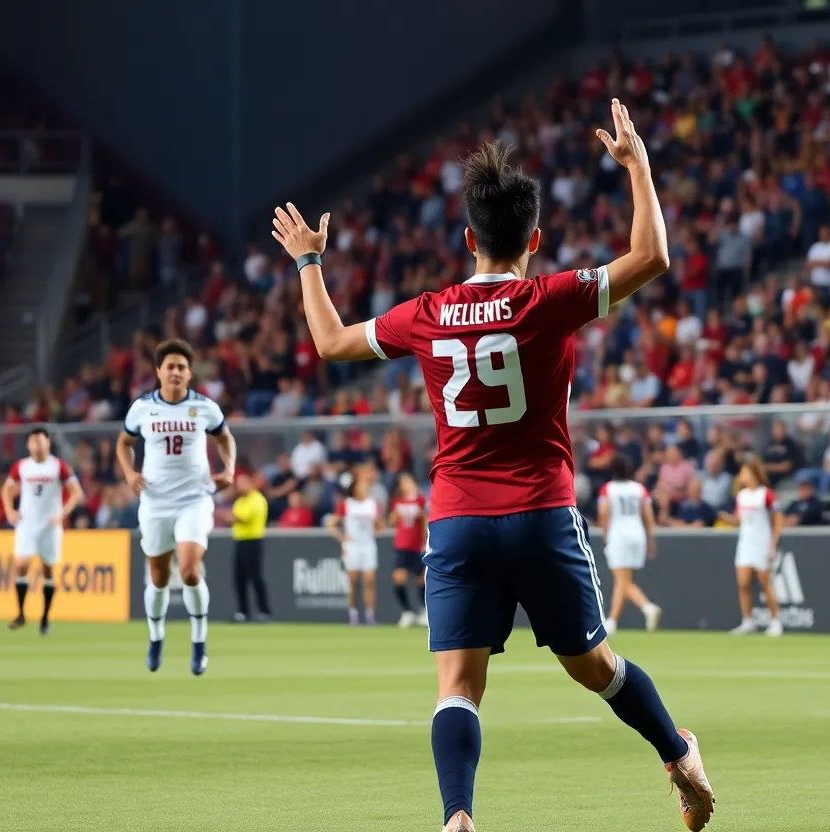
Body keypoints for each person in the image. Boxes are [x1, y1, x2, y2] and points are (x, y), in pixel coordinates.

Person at [272, 101, 714, 832]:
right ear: (534, 240)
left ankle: (458, 817)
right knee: (595, 668)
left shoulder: (428, 312)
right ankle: (679, 754)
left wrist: (309, 261)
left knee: (457, 688)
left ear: (467, 239)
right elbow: (653, 257)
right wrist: (636, 166)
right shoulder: (550, 298)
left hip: (458, 520)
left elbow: (328, 342)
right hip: (541, 513)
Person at [117, 339, 236, 676]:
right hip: (155, 502)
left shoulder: (204, 407)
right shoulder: (142, 408)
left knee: (188, 570)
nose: (175, 372)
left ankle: (199, 642)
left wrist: (229, 469)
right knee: (157, 578)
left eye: (181, 367)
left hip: (194, 500)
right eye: (169, 366)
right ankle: (156, 637)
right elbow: (123, 443)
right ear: (158, 371)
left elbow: (225, 437)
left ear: (189, 372)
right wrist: (129, 473)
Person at [2, 427, 84, 634]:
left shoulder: (58, 466)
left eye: (39, 441)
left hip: (49, 525)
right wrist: (9, 510)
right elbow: (7, 488)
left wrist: (63, 513)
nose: (35, 445)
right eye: (32, 442)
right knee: (21, 565)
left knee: (47, 569)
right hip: (27, 523)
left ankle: (45, 618)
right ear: (28, 445)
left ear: (47, 443)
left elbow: (76, 493)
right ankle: (21, 613)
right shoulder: (21, 466)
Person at [597, 455, 661, 635]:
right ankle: (612, 621)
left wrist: (605, 534)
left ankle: (647, 607)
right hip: (637, 534)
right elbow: (648, 517)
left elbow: (604, 513)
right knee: (623, 579)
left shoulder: (608, 489)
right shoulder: (640, 489)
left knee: (622, 579)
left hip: (618, 534)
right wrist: (651, 540)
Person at [720, 456, 783, 637]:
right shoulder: (741, 496)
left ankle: (775, 621)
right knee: (743, 583)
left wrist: (772, 545)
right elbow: (739, 520)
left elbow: (778, 520)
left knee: (765, 583)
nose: (741, 476)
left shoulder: (766, 494)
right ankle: (747, 621)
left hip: (762, 543)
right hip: (745, 543)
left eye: (745, 472)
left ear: (754, 473)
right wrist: (728, 519)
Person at [328, 467, 383, 626]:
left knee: (369, 580)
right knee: (353, 580)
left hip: (368, 546)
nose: (363, 488)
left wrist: (376, 530)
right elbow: (332, 524)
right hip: (352, 546)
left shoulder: (372, 505)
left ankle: (370, 615)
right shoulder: (347, 504)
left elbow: (380, 525)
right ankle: (353, 614)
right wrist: (342, 538)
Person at [222, 471, 272, 624]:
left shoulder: (257, 500)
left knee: (255, 577)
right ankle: (242, 611)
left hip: (253, 541)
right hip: (240, 541)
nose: (239, 487)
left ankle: (264, 611)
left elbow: (240, 518)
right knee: (239, 579)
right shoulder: (241, 501)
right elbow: (232, 519)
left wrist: (226, 516)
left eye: (242, 483)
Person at [389, 471, 429, 628]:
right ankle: (406, 611)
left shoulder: (420, 500)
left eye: (409, 480)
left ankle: (424, 611)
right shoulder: (397, 501)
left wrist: (425, 537)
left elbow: (425, 520)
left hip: (416, 545)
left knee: (421, 579)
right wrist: (395, 515)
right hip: (401, 545)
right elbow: (392, 521)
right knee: (399, 578)